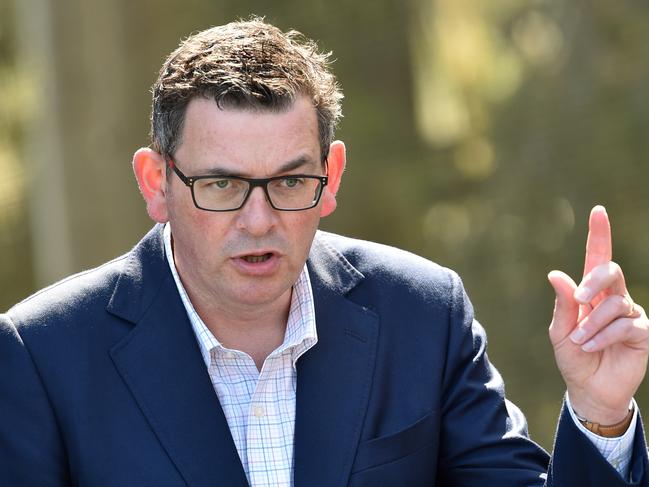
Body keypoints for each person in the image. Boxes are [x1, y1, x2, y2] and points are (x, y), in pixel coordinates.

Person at [1, 18, 648, 487]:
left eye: (288, 181)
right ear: (156, 183)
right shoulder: (41, 355)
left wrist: (598, 412)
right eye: (222, 184)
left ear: (330, 175)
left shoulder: (421, 314)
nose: (259, 220)